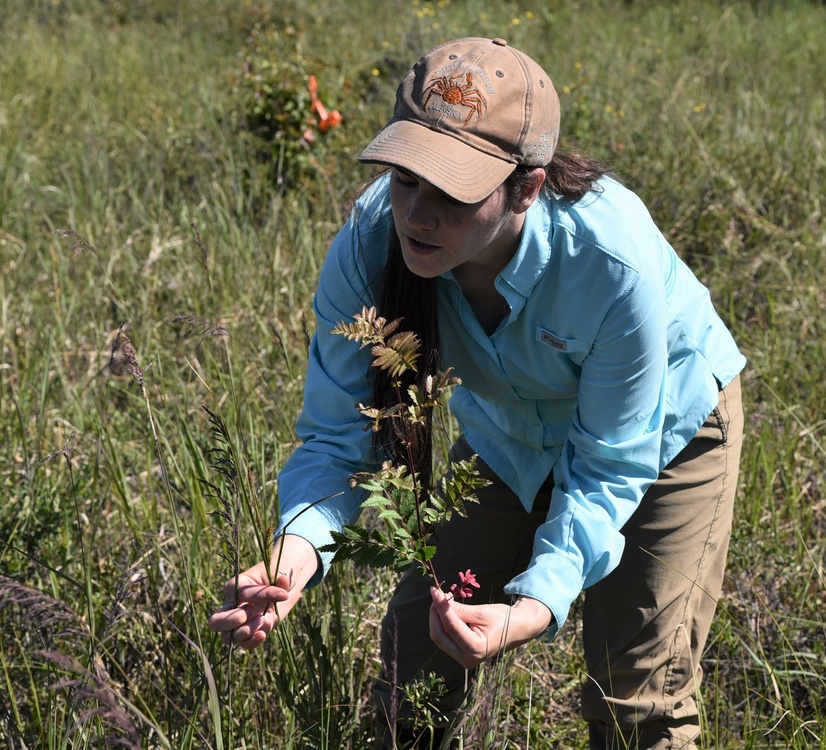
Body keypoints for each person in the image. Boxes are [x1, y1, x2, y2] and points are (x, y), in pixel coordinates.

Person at [209, 36, 746, 750]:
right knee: (416, 659)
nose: (417, 216)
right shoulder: (372, 244)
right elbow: (338, 442)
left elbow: (610, 467)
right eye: (405, 179)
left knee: (634, 692)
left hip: (665, 436)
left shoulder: (610, 263)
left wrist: (530, 608)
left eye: (452, 191)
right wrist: (293, 556)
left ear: (529, 186)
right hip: (513, 434)